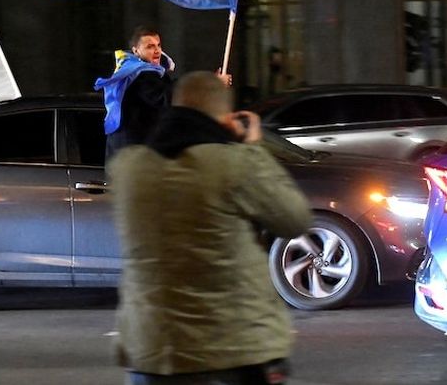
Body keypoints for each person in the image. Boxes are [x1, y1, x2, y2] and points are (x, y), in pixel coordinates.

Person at [109, 71, 311, 385]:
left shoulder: (127, 168)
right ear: (226, 117)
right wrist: (252, 148)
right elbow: (294, 218)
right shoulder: (232, 164)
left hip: (150, 350)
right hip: (230, 349)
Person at [96, 26, 230, 159]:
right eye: (150, 46)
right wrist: (211, 84)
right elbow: (168, 96)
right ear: (136, 51)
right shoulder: (140, 74)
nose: (157, 50)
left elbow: (170, 88)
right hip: (133, 152)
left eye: (158, 45)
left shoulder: (138, 70)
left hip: (129, 150)